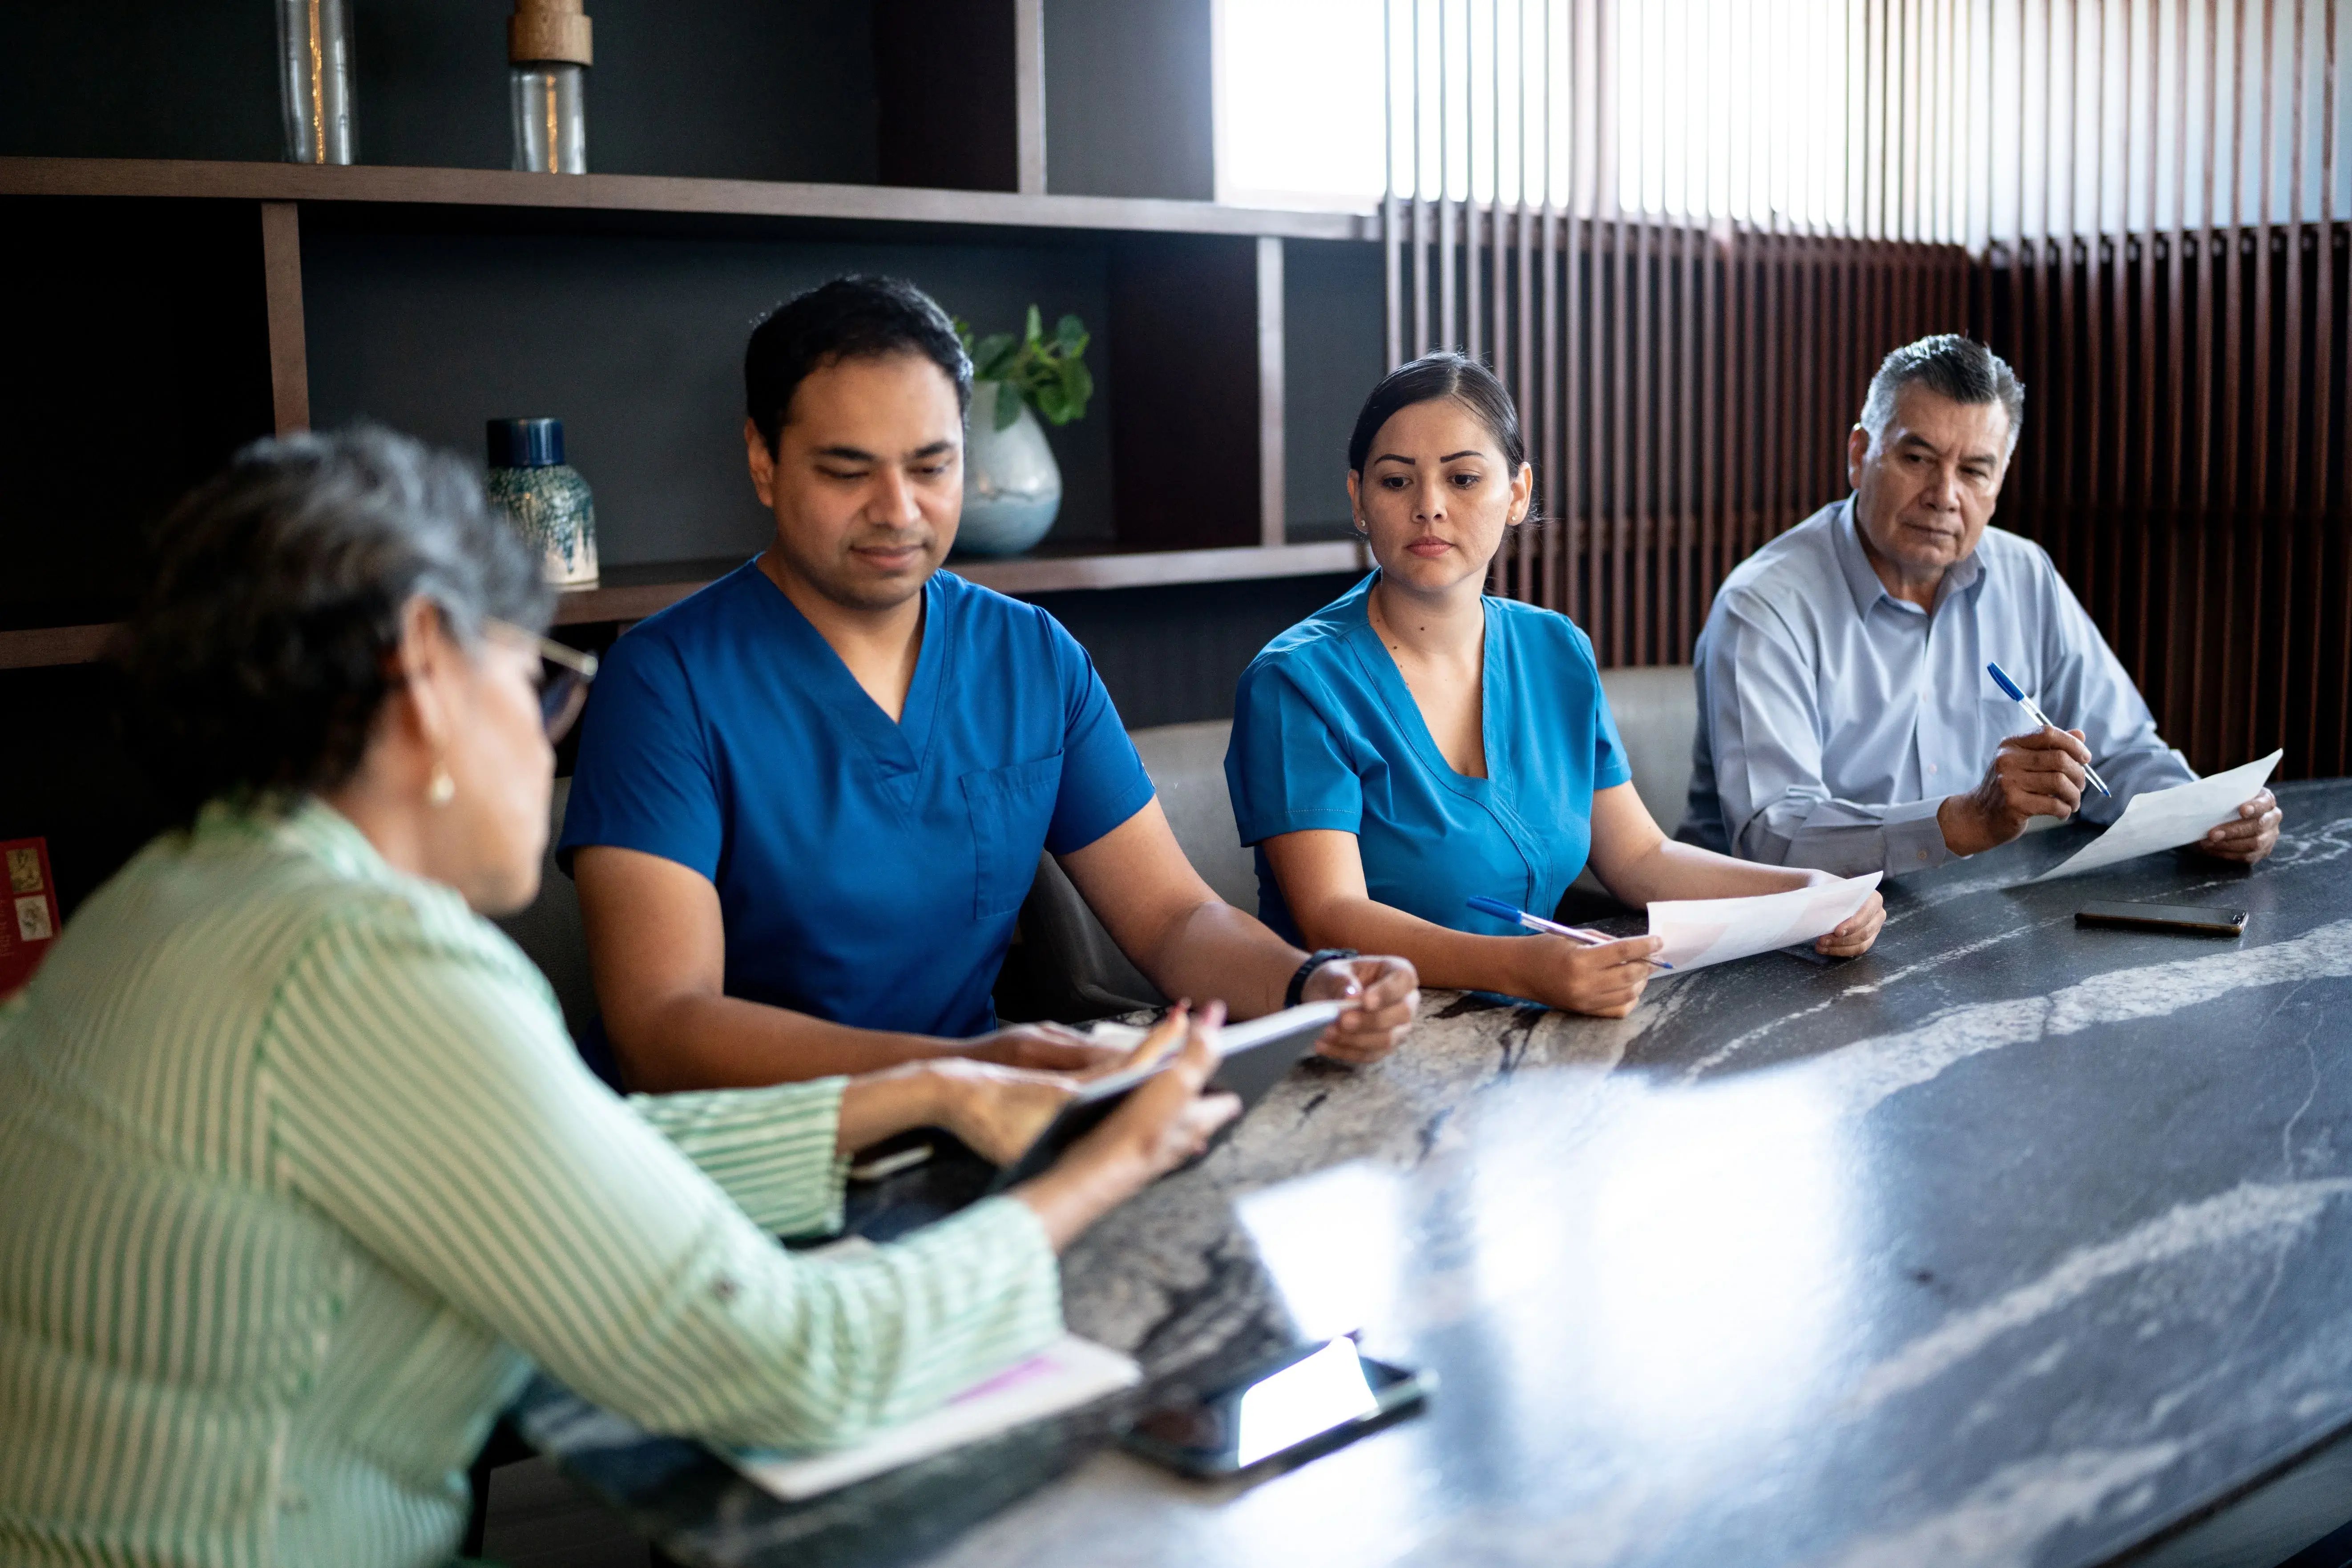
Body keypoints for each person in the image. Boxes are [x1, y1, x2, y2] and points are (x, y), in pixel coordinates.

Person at [0, 427, 1241, 1567]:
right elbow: (808, 1365)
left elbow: (553, 1156)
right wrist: (1101, 1168)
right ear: (431, 665)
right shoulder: (369, 959)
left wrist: (933, 1085)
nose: (549, 743)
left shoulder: (180, 893)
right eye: (535, 681)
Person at [560, 276, 1420, 1091]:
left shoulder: (1030, 655)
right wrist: (959, 1071)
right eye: (848, 470)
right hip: (741, 1168)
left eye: (932, 468)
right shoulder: (666, 682)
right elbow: (663, 1030)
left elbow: (1171, 917)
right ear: (762, 460)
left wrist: (1313, 985)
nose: (898, 509)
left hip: (975, 1130)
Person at [1223, 353, 1884, 1021]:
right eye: (1396, 481)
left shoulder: (1556, 650)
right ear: (1359, 499)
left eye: (1463, 478)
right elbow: (1333, 919)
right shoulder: (1296, 683)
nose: (1428, 507)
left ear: (1516, 494)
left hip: (1533, 1029)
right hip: (1355, 1041)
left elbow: (1641, 857)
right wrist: (1527, 968)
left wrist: (1807, 893)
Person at [1679, 335, 2282, 875]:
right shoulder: (1765, 604)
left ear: (1999, 483)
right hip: (1772, 945)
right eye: (1917, 459)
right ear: (1860, 456)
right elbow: (1772, 834)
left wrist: (2208, 815)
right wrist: (1962, 821)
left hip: (1971, 920)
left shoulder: (2024, 574)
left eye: (1973, 471)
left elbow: (2119, 753)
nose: (1945, 496)